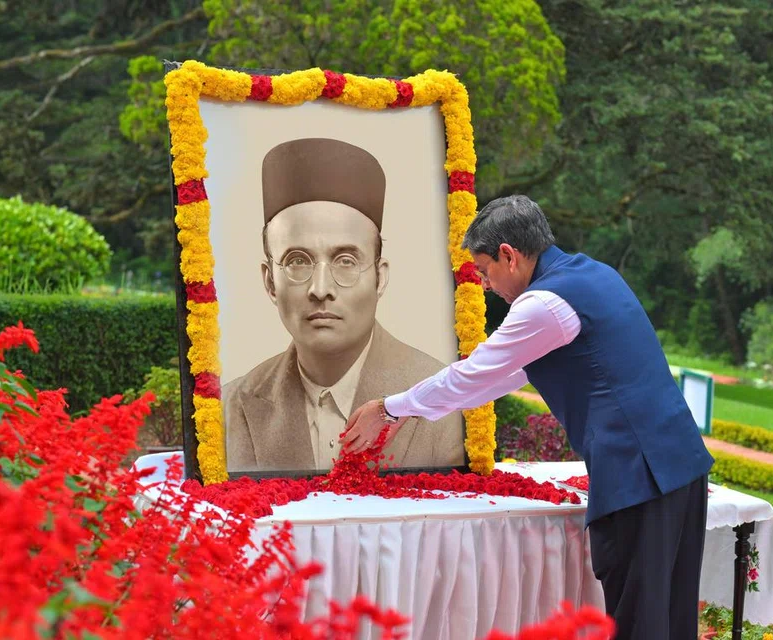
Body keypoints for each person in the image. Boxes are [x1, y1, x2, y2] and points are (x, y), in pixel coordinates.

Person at [342, 194, 715, 639]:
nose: (484, 284)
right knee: (672, 620)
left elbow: (474, 375)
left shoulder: (544, 304)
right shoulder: (595, 274)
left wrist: (389, 408)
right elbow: (502, 377)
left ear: (509, 255)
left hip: (639, 476)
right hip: (679, 465)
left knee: (640, 625)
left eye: (484, 271)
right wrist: (411, 410)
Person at [223, 137, 465, 474]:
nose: (320, 289)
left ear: (380, 278)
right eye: (297, 261)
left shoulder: (447, 400)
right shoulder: (229, 407)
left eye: (346, 261)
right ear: (269, 282)